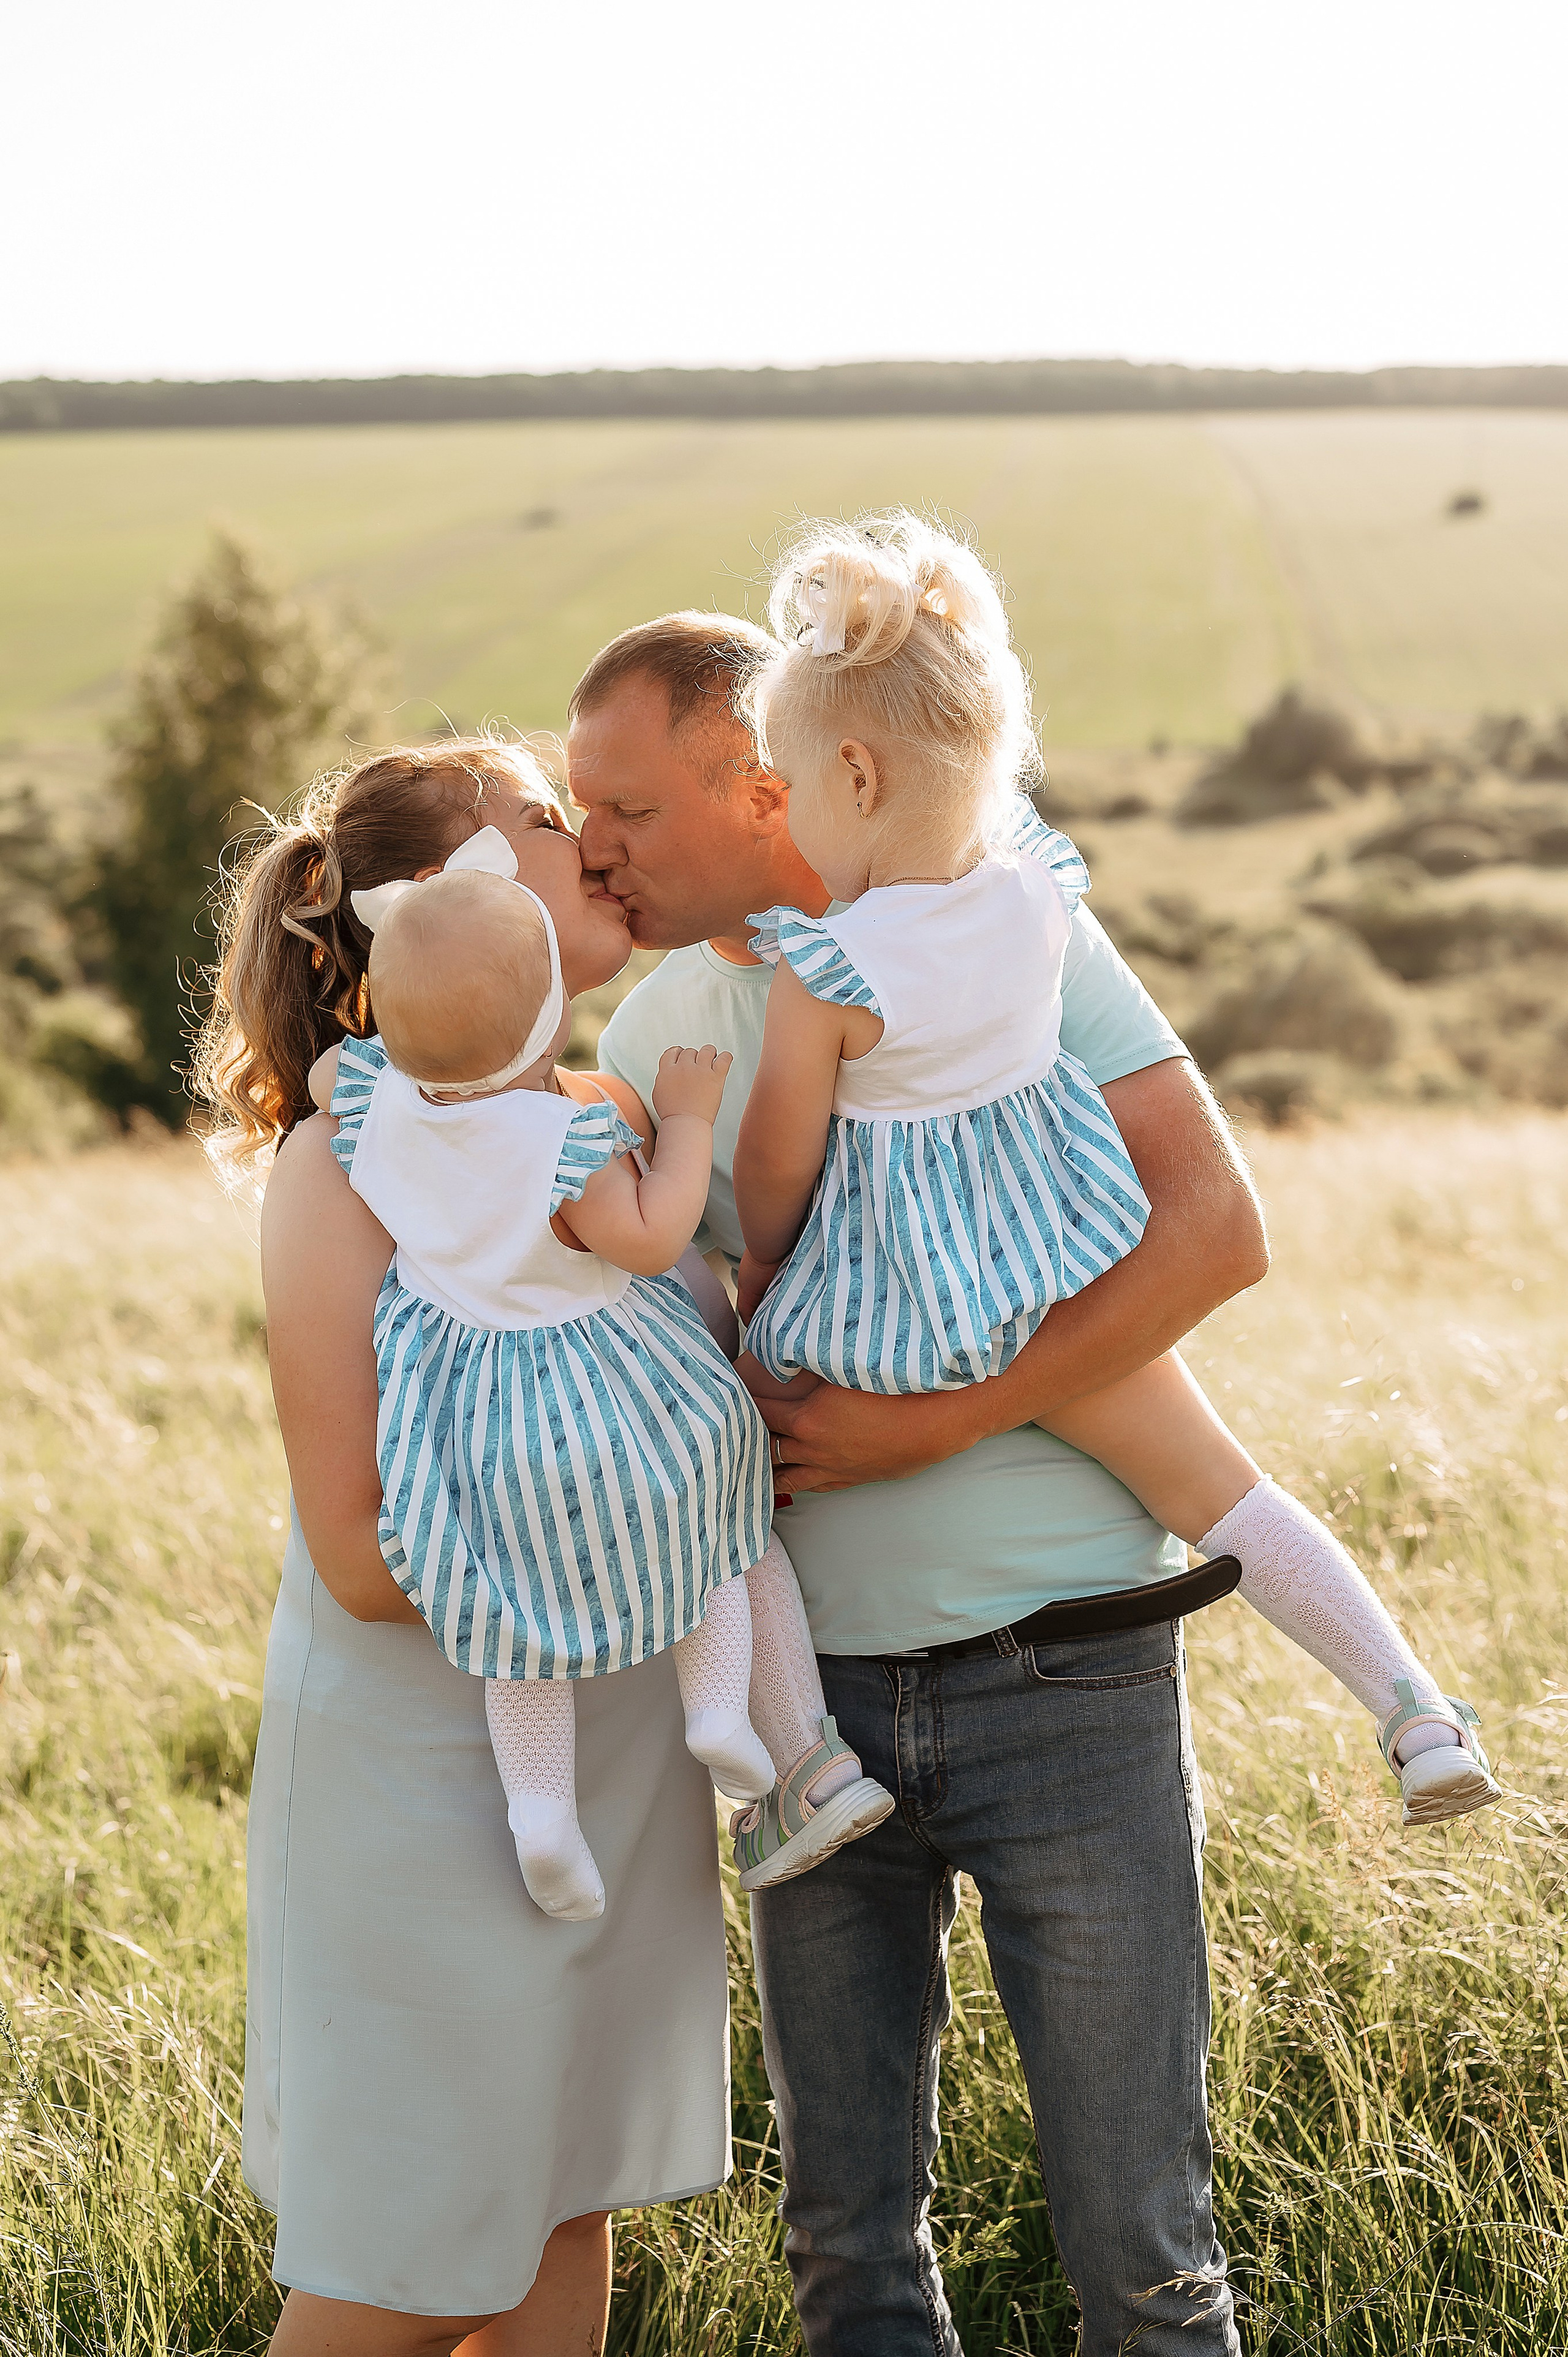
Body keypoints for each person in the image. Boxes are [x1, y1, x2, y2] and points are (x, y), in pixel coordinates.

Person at [570, 605, 1246, 2357]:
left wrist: (943, 1420)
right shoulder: (656, 1037)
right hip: (818, 1719)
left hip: (1073, 1665)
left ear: (765, 777)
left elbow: (1218, 1234)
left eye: (632, 810)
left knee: (1149, 2255)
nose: (600, 850)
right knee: (850, 2258)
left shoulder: (1016, 925)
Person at [728, 512, 1497, 1841]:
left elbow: (779, 1165)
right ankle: (1414, 1709)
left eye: (787, 786)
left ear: (852, 772)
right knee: (1220, 1491)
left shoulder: (823, 967)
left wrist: (758, 1270)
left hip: (890, 1301)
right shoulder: (1038, 895)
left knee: (730, 1477)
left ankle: (810, 1766)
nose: (785, 816)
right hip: (1051, 1261)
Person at [197, 741, 729, 2356]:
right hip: (435, 1771)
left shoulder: (601, 1121)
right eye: (547, 822)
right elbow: (360, 1557)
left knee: (565, 2198)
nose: (588, 845)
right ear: (459, 893)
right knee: (407, 2259)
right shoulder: (338, 1167)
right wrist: (615, 1539)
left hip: (615, 1747)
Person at [304, 821, 889, 1921]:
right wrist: (684, 1122)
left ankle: (543, 1818)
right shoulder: (555, 1138)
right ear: (547, 1018)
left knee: (515, 1631)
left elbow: (341, 1066)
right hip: (595, 1394)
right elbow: (653, 1236)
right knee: (714, 1507)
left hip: (473, 1425)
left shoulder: (374, 1115)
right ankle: (722, 1713)